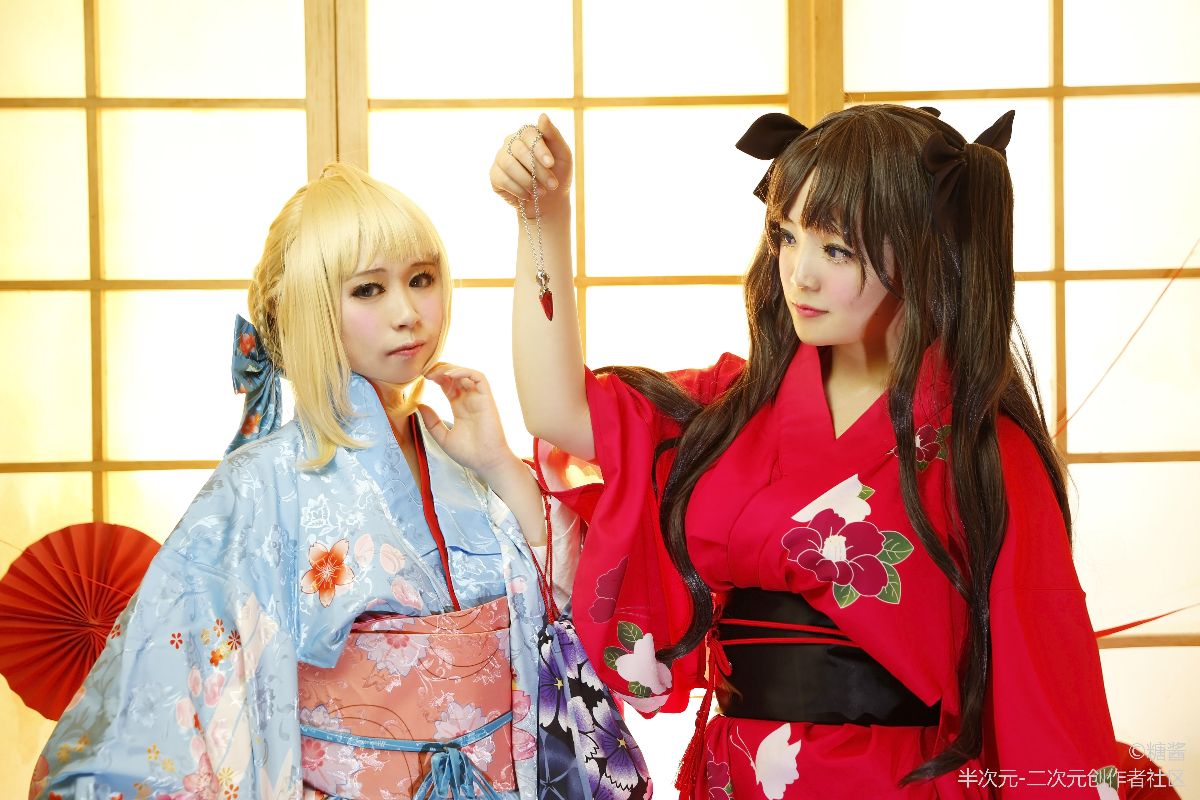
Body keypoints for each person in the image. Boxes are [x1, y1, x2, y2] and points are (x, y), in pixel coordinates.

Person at [489, 107, 1125, 798]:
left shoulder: (981, 449)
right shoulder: (732, 406)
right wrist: (543, 216)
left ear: (923, 250)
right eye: (786, 237)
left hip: (895, 782)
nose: (799, 275)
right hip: (739, 772)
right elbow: (558, 411)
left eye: (837, 249)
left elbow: (1043, 686)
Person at [30, 163, 572, 800]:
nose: (408, 313)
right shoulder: (259, 484)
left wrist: (501, 465)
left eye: (421, 279)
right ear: (311, 308)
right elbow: (169, 685)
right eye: (368, 289)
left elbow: (563, 618)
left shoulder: (465, 455)